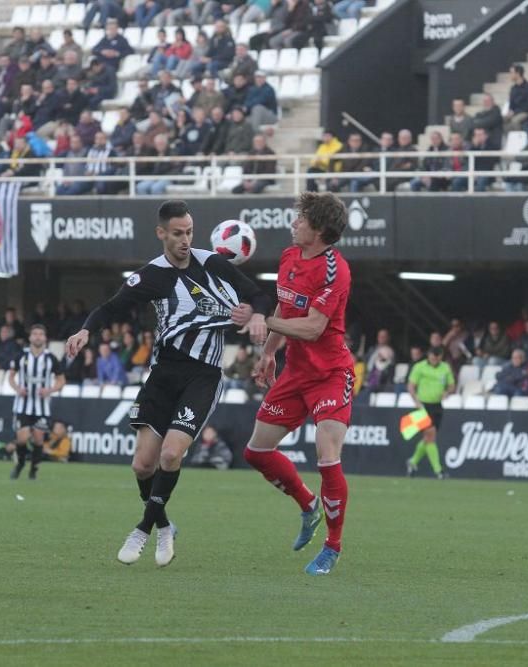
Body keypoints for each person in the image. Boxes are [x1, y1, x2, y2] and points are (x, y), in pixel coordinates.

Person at [65, 200, 270, 568]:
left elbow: (259, 294)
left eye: (189, 232)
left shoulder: (213, 264)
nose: (185, 240)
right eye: (178, 233)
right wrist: (85, 330)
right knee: (142, 465)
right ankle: (164, 527)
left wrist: (256, 315)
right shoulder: (151, 276)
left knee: (171, 455)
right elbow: (111, 307)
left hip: (203, 375)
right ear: (161, 233)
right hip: (162, 375)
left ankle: (142, 529)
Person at [242, 191, 352, 577]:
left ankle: (332, 547)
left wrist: (262, 322)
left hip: (331, 374)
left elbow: (312, 327)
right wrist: (270, 352)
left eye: (301, 218)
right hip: (295, 373)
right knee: (256, 452)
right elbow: (284, 309)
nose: (294, 223)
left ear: (319, 229)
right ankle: (308, 505)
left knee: (327, 453)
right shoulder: (289, 257)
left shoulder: (335, 270)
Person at [8, 325, 65, 481]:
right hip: (22, 405)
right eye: (35, 334)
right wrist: (17, 388)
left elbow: (61, 381)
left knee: (38, 438)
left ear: (45, 338)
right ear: (30, 337)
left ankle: (33, 469)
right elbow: (11, 377)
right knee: (22, 439)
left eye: (41, 334)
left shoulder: (51, 358)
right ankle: (20, 464)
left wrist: (50, 390)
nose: (38, 337)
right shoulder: (20, 356)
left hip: (42, 407)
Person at [405, 346, 454, 480]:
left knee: (428, 439)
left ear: (441, 357)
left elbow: (451, 385)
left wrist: (447, 392)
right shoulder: (419, 367)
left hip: (437, 406)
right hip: (423, 406)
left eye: (437, 358)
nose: (434, 360)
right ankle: (439, 471)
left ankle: (413, 462)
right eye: (432, 357)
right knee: (430, 435)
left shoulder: (445, 368)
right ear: (428, 356)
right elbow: (411, 385)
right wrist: (416, 400)